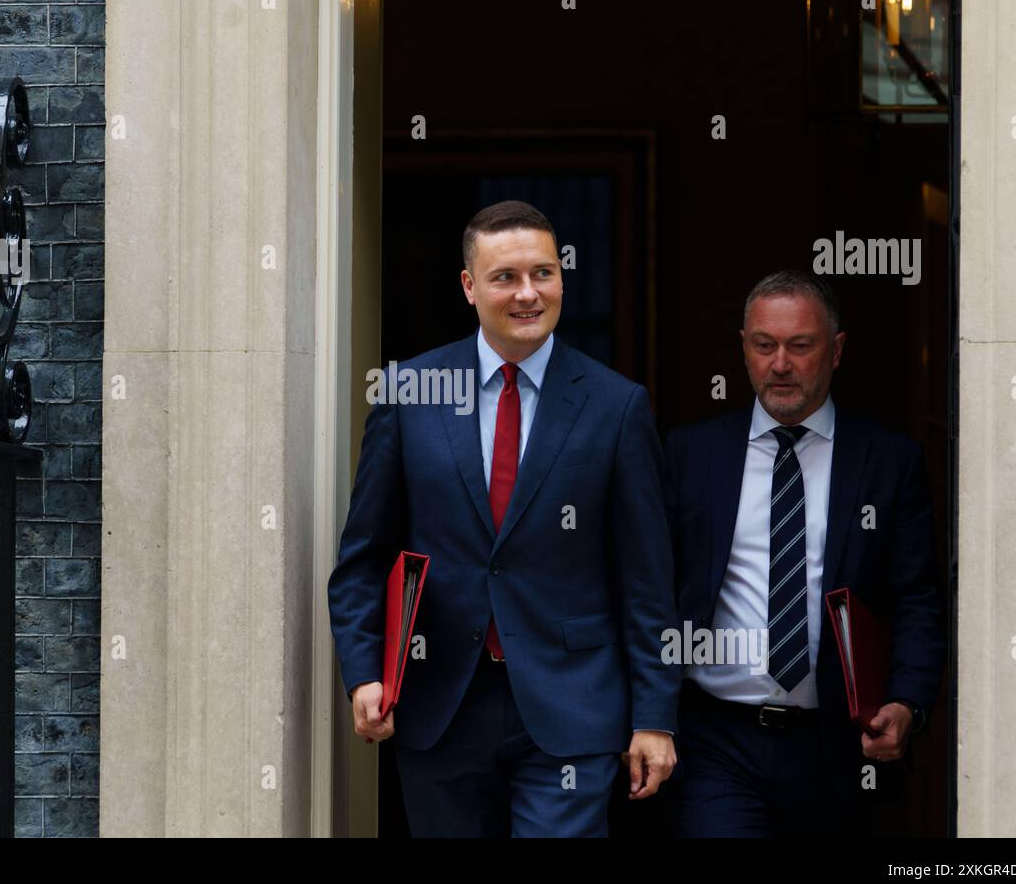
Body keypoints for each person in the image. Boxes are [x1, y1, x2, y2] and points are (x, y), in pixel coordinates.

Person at [327, 200, 679, 837]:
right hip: (440, 707)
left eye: (543, 273)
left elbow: (647, 577)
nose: (527, 294)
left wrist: (654, 715)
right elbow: (363, 558)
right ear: (469, 286)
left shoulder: (616, 405)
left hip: (572, 707)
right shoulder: (410, 392)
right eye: (505, 277)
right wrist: (364, 674)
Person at [662, 269, 945, 836]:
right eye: (764, 346)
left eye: (800, 346)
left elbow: (916, 597)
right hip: (717, 738)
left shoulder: (888, 462)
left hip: (836, 743)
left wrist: (908, 702)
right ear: (744, 347)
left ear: (836, 350)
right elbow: (647, 588)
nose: (780, 364)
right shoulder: (691, 454)